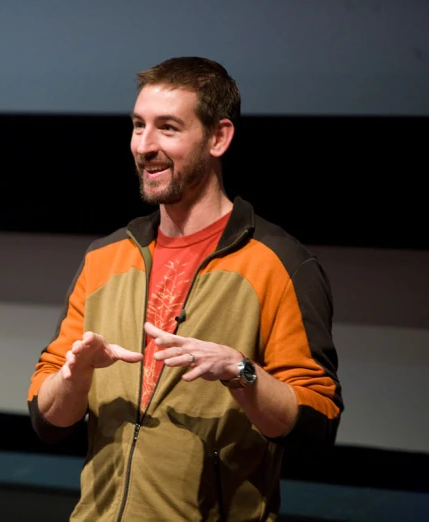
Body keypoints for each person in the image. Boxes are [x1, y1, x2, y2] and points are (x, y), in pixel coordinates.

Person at [26, 57, 343, 521]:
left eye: (168, 128)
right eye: (138, 126)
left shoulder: (279, 264)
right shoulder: (106, 257)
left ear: (218, 138)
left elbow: (317, 424)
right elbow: (47, 421)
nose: (144, 146)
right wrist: (73, 380)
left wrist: (240, 370)